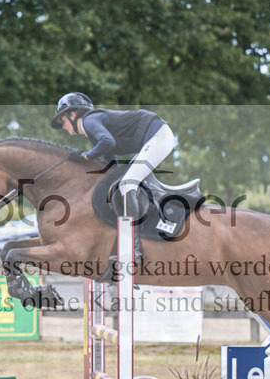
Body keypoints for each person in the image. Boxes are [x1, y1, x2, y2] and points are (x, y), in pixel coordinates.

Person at [51, 92, 177, 264]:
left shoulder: (89, 121)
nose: (63, 126)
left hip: (158, 136)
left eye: (62, 120)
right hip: (156, 136)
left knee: (126, 185)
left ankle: (132, 248)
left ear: (72, 115)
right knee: (123, 183)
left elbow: (107, 142)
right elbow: (111, 162)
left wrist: (86, 157)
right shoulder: (92, 127)